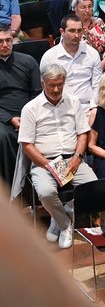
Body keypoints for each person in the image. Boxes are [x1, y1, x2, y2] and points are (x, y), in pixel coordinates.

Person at [19, 63, 98, 249]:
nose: (56, 89)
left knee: (94, 188)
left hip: (72, 159)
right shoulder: (31, 108)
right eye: (51, 85)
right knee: (46, 192)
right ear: (42, 84)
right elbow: (27, 145)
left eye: (60, 85)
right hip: (44, 163)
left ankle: (59, 214)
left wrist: (77, 157)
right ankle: (65, 224)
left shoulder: (73, 102)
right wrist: (49, 165)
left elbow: (82, 133)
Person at [0, 23, 39, 186]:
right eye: (0, 41)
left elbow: (38, 93)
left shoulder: (28, 61)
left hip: (29, 113)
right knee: (2, 137)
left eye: (8, 40)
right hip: (3, 117)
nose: (5, 45)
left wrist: (27, 118)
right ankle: (9, 190)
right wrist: (11, 119)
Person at [72, 0, 105, 70]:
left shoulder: (98, 22)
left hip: (104, 63)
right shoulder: (71, 28)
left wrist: (104, 62)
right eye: (83, 7)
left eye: (90, 6)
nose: (87, 10)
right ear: (75, 9)